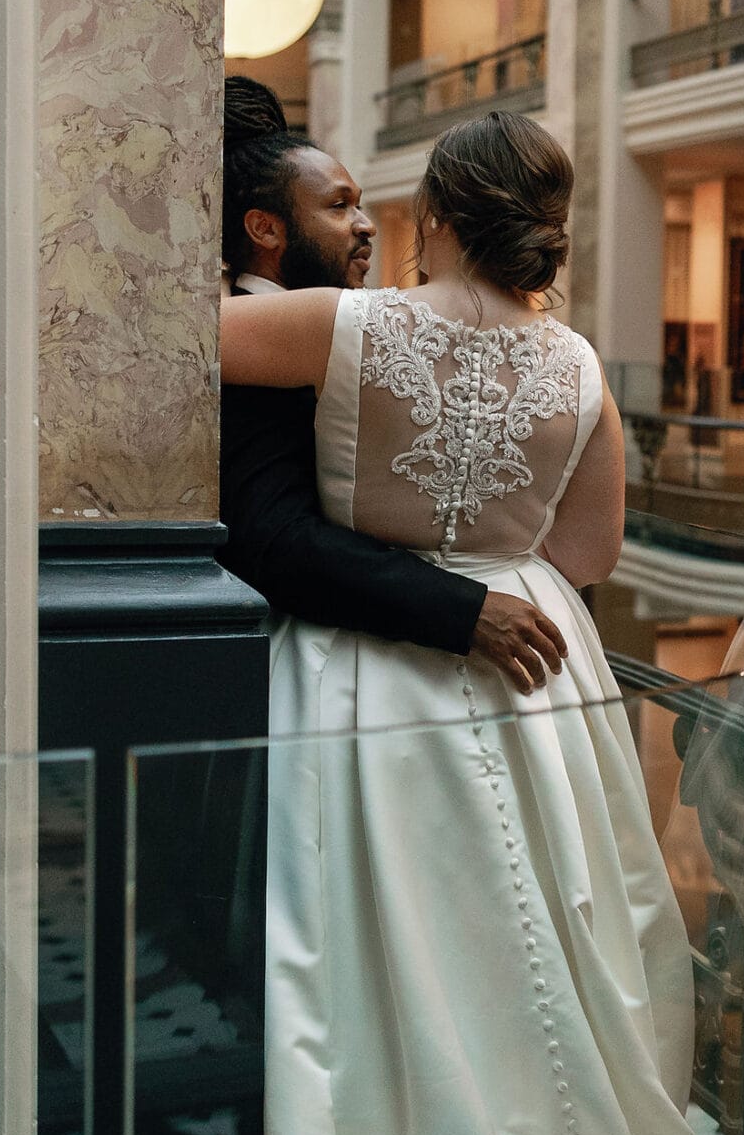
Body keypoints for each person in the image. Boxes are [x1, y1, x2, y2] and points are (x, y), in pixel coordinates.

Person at [221, 110, 744, 1135]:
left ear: (436, 216)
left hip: (373, 688)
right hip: (539, 684)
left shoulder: (350, 324)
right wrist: (499, 548)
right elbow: (585, 551)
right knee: (568, 954)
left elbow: (156, 337)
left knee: (401, 966)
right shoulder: (579, 366)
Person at [219, 77, 568, 693]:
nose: (366, 225)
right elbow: (274, 540)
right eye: (338, 206)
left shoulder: (341, 335)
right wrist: (467, 607)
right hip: (313, 674)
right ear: (265, 229)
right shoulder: (256, 349)